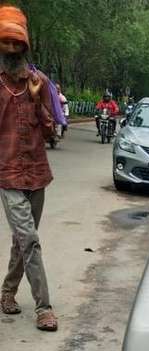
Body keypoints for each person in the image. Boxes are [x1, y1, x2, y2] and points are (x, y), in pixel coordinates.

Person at [0, 5, 58, 331]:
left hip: (37, 173)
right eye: (5, 42)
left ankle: (7, 292)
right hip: (7, 173)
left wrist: (37, 100)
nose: (11, 49)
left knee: (22, 241)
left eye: (16, 43)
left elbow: (50, 132)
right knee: (30, 239)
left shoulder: (40, 82)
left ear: (25, 45)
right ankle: (43, 307)